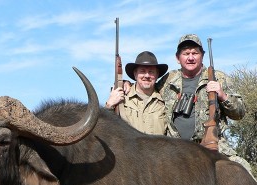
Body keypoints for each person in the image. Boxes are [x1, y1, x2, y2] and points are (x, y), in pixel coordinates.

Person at [156, 34, 252, 171]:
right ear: (178, 58)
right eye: (186, 53)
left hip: (213, 146)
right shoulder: (167, 80)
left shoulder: (219, 78)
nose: (190, 57)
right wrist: (127, 85)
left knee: (244, 172)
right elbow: (146, 91)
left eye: (195, 53)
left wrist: (223, 95)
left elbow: (240, 113)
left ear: (202, 56)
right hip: (174, 150)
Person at [105, 51, 168, 135]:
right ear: (135, 74)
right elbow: (103, 125)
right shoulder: (120, 97)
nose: (147, 75)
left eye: (151, 72)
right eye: (142, 71)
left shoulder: (165, 100)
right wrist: (109, 105)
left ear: (157, 75)